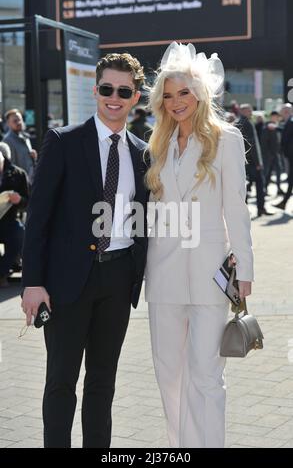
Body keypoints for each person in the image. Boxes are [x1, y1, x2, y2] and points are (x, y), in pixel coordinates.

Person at [21, 53, 149, 448]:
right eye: (107, 89)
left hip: (118, 278)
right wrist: (32, 283)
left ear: (136, 97)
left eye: (123, 91)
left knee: (102, 383)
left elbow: (146, 221)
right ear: (95, 91)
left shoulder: (145, 153)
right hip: (66, 283)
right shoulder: (63, 142)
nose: (114, 97)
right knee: (61, 381)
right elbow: (38, 218)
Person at [144, 42, 254, 448]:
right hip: (164, 274)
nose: (176, 102)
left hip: (211, 274)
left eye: (184, 93)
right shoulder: (158, 144)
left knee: (206, 375)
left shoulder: (226, 140)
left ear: (201, 93)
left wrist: (245, 269)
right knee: (168, 372)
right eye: (168, 95)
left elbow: (237, 210)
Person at [235, 104, 273, 217]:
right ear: (243, 111)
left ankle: (244, 211)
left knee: (244, 186)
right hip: (252, 161)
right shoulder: (247, 123)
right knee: (259, 185)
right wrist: (258, 162)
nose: (251, 113)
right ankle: (260, 208)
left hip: (244, 160)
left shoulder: (238, 123)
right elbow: (252, 144)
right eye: (249, 111)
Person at [0, 142, 29, 287]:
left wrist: (19, 200)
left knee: (19, 234)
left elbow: (29, 202)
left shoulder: (18, 174)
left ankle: (2, 272)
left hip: (9, 220)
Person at [3, 109, 38, 184]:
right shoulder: (7, 141)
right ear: (8, 123)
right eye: (15, 121)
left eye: (20, 119)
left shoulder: (25, 137)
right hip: (20, 185)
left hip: (31, 182)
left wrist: (34, 157)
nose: (19, 122)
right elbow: (10, 168)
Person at [274, 104, 293, 211]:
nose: (283, 112)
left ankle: (284, 202)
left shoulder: (291, 121)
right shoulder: (288, 122)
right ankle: (284, 202)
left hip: (291, 155)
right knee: (291, 180)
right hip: (290, 155)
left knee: (291, 179)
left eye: (285, 110)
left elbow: (287, 138)